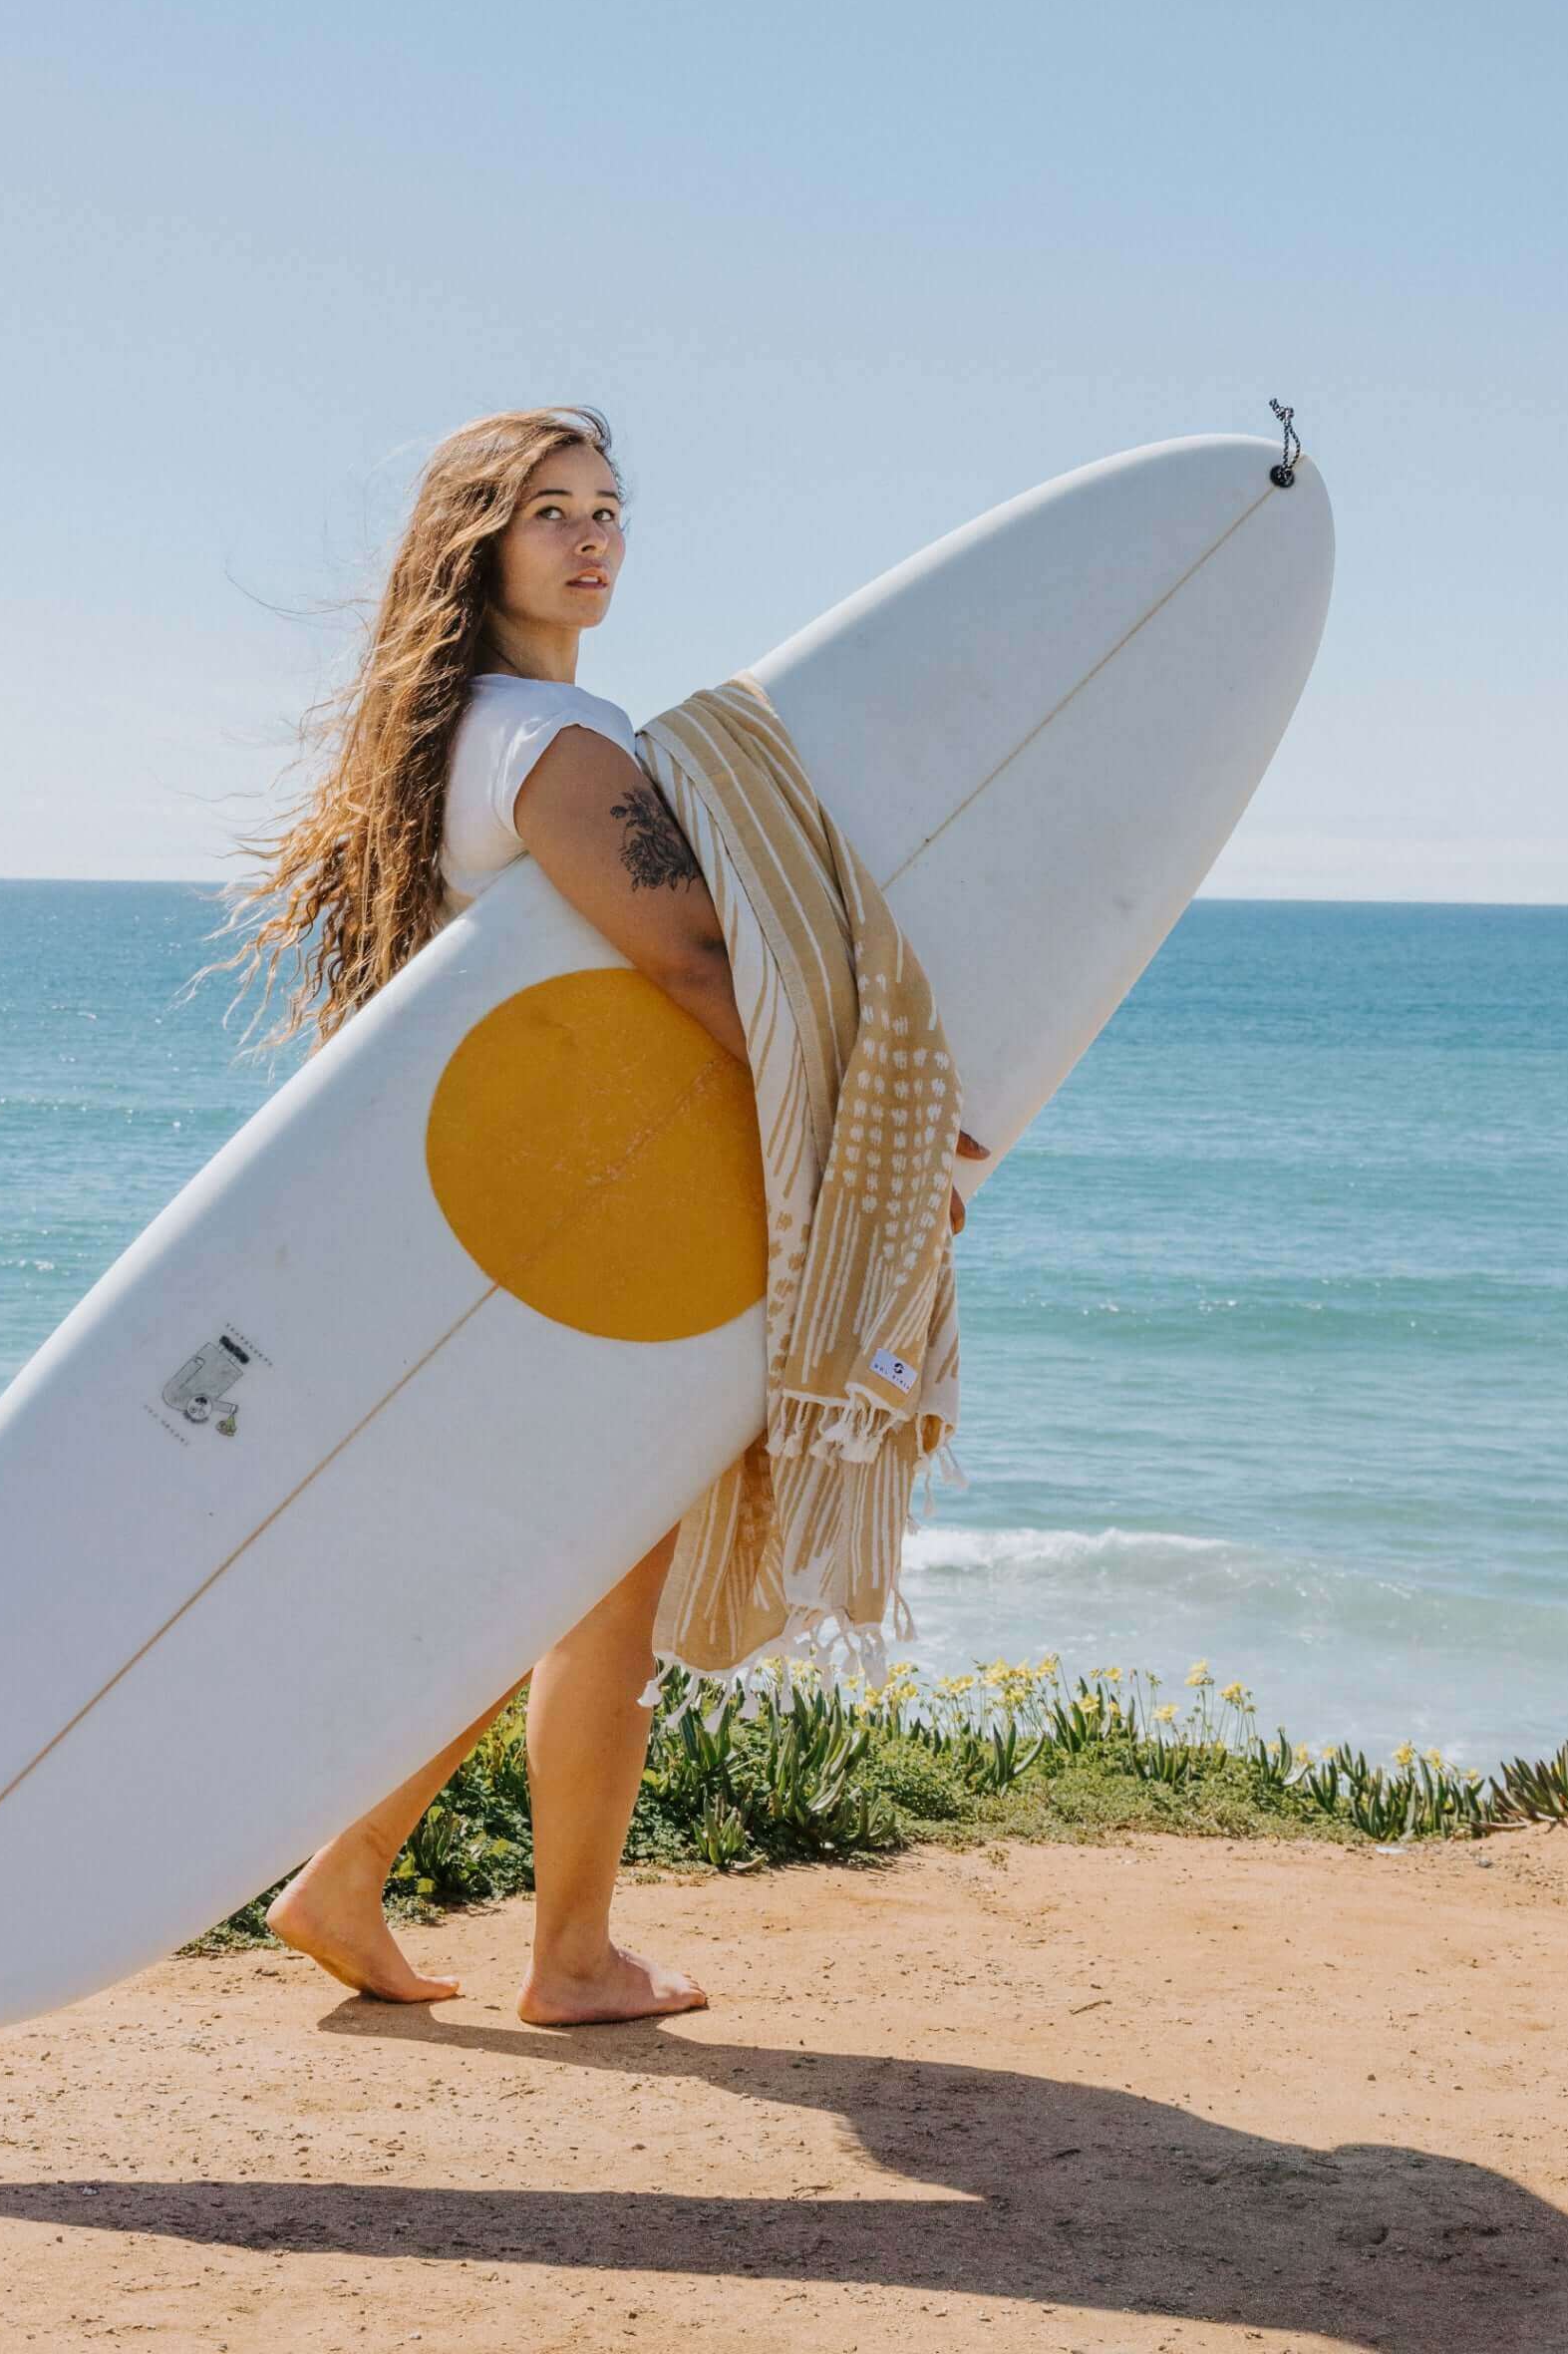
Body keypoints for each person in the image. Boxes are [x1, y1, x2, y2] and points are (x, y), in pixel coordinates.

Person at [228, 403, 977, 2025]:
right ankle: (564, 1956)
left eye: (608, 509)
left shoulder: (453, 743)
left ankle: (353, 1877)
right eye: (549, 511)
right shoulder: (555, 745)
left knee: (568, 1570)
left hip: (514, 1210)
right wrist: (861, 1137)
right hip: (591, 1225)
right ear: (477, 544)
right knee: (600, 1583)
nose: (590, 539)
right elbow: (698, 959)